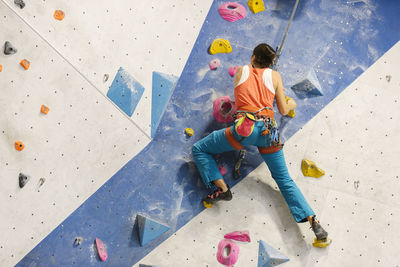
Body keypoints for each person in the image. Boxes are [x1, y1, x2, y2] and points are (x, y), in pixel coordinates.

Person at [192, 43, 331, 246]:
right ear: (272, 63)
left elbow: (245, 94)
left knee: (200, 149)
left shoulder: (241, 71)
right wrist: (290, 103)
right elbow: (283, 109)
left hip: (243, 131)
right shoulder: (275, 77)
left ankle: (221, 188)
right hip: (268, 133)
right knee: (284, 180)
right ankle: (313, 221)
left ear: (253, 57)